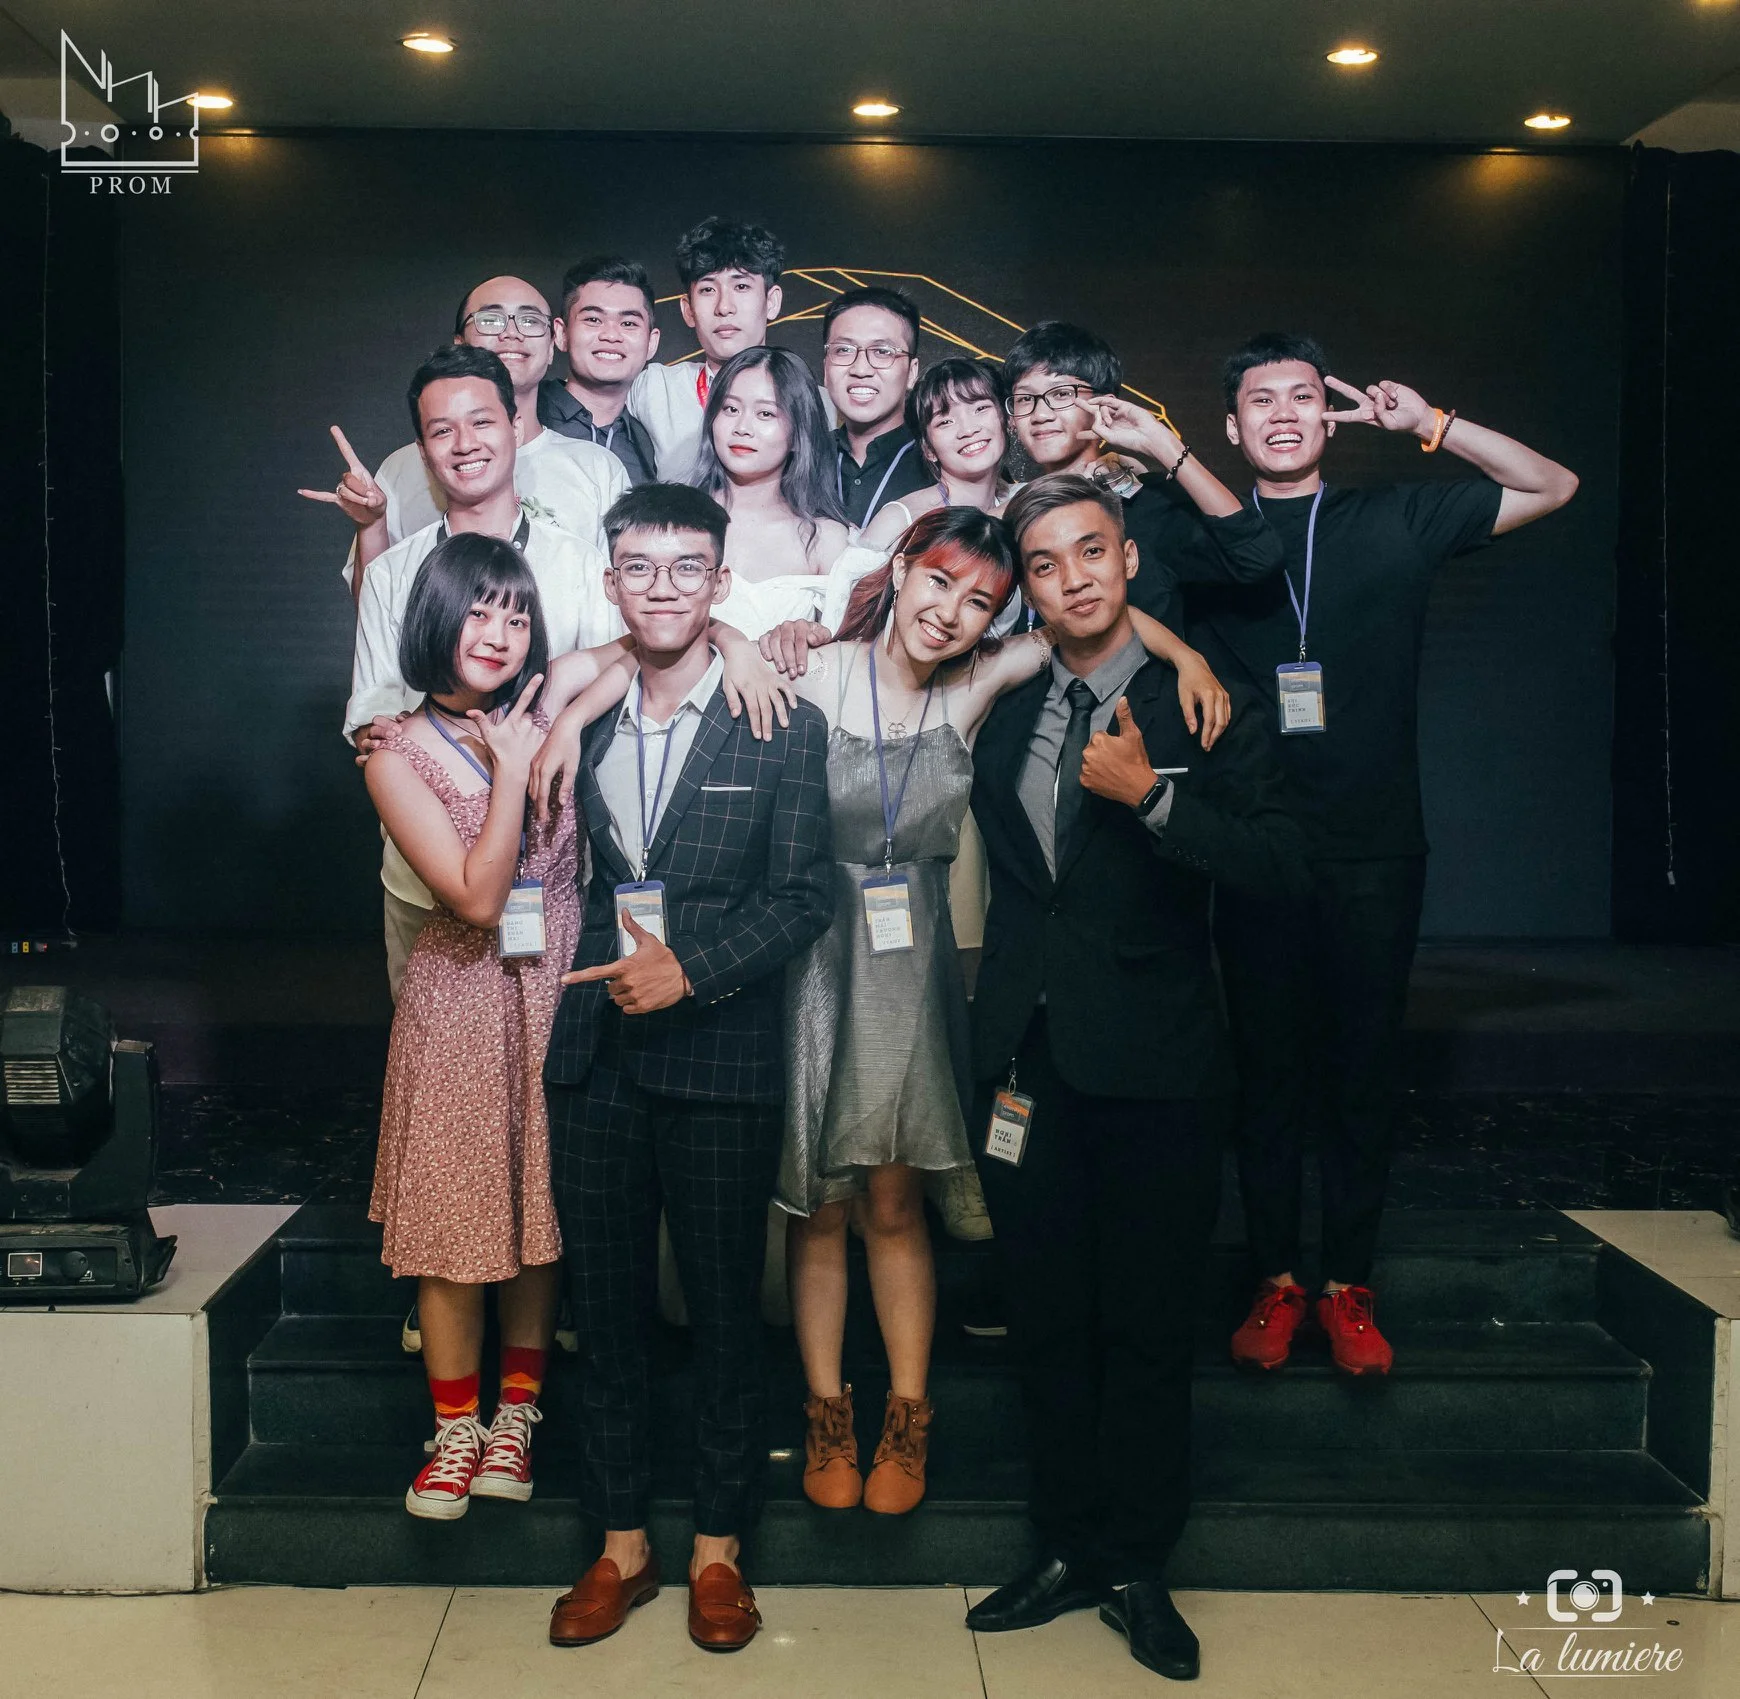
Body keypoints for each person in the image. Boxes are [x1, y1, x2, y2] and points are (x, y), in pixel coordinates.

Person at [759, 506, 1231, 1520]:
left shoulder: (982, 682)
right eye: (939, 583)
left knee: (892, 1200)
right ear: (900, 569)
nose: (953, 612)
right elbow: (665, 643)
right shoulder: (810, 672)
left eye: (980, 600)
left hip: (914, 972)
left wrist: (1185, 650)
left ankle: (909, 1415)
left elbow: (1090, 620)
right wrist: (732, 636)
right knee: (820, 1205)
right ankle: (827, 1409)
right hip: (809, 965)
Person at [962, 473, 1308, 1682]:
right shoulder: (1007, 702)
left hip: (1159, 1063)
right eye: (1046, 564)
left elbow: (1279, 862)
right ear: (1032, 589)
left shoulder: (1206, 704)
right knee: (1048, 1321)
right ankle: (1062, 1545)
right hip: (1025, 1062)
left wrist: (1154, 798)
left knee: (1150, 1328)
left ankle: (1137, 1563)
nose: (1074, 578)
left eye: (1092, 552)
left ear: (1127, 558)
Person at [1195, 332, 1579, 1377]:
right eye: (1259, 400)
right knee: (1267, 1074)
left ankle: (1348, 1286)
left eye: (1302, 397)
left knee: (1361, 1072)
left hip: (1374, 847)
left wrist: (1432, 426)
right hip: (1257, 844)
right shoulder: (1208, 532)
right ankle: (1275, 1280)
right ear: (1230, 429)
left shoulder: (1395, 516)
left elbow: (1553, 483)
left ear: (1329, 416)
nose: (1281, 412)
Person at [541, 484, 834, 1655]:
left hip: (720, 1054)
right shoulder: (589, 712)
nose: (663, 585)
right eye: (640, 566)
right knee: (604, 1316)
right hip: (596, 1057)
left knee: (721, 1313)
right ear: (612, 582)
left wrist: (692, 971)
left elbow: (806, 897)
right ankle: (620, 1544)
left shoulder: (784, 723)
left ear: (721, 585)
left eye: (687, 569)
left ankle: (719, 1549)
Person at [363, 532, 639, 1521]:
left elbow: (634, 652)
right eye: (479, 609)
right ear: (437, 616)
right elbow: (479, 897)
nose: (500, 630)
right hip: (459, 999)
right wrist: (520, 768)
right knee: (452, 1226)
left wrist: (559, 726)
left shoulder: (538, 705)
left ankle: (515, 1418)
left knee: (537, 1218)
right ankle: (455, 1430)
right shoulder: (394, 750)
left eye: (515, 612)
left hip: (558, 990)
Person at [345, 343, 621, 1003]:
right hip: (429, 883)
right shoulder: (392, 571)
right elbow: (374, 725)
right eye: (441, 430)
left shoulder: (579, 561)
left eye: (482, 422)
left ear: (517, 429)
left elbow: (630, 664)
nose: (463, 443)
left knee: (554, 1076)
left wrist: (564, 709)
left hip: (558, 877)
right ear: (421, 449)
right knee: (436, 1069)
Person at [298, 274, 628, 602]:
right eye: (490, 319)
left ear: (553, 342)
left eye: (530, 320)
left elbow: (621, 604)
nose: (511, 332)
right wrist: (371, 525)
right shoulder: (400, 470)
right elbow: (374, 612)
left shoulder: (597, 469)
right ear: (459, 343)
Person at [1001, 321, 1283, 627]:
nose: (1041, 415)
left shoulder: (1149, 502)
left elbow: (1259, 556)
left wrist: (1162, 445)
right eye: (1025, 399)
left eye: (1061, 394)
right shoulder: (1014, 516)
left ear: (1104, 401)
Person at [686, 344, 855, 641]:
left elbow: (849, 658)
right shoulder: (674, 518)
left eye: (765, 413)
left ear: (799, 435)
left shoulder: (825, 539)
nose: (742, 427)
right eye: (730, 409)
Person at [860, 357, 1021, 550]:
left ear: (1006, 418)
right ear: (928, 449)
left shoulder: (1021, 501)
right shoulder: (900, 522)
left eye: (980, 408)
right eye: (945, 422)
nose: (968, 430)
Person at [539, 257, 668, 486]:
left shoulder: (649, 446)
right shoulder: (527, 415)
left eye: (628, 323)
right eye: (593, 319)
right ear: (561, 334)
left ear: (651, 343)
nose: (611, 335)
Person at [824, 286, 934, 529]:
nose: (861, 369)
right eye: (843, 350)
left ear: (911, 372)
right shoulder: (801, 458)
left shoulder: (943, 462)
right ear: (825, 367)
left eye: (882, 352)